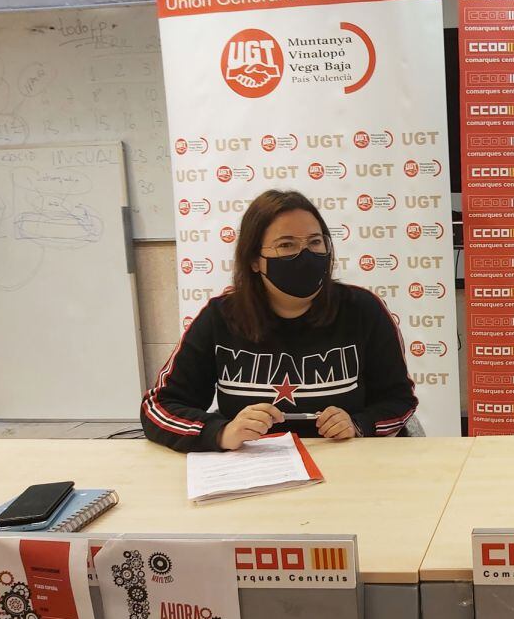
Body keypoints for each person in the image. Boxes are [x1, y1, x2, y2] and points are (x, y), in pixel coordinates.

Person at [142, 189, 417, 452]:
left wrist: (359, 425)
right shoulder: (221, 317)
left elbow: (399, 400)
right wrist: (221, 433)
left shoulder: (362, 310)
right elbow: (159, 407)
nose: (305, 255)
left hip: (347, 468)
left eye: (314, 242)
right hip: (250, 473)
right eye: (286, 245)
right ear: (254, 260)